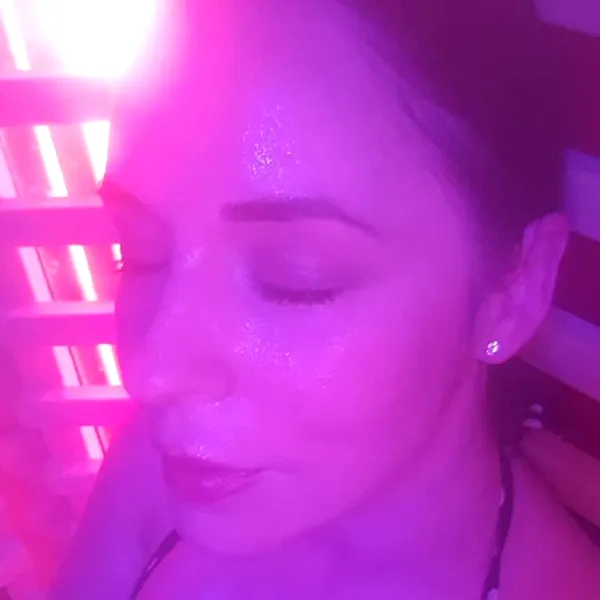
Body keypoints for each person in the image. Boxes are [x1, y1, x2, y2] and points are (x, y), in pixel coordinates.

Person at [50, 0, 600, 598]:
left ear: (514, 289)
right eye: (137, 250)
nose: (150, 373)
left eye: (295, 277)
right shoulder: (165, 463)